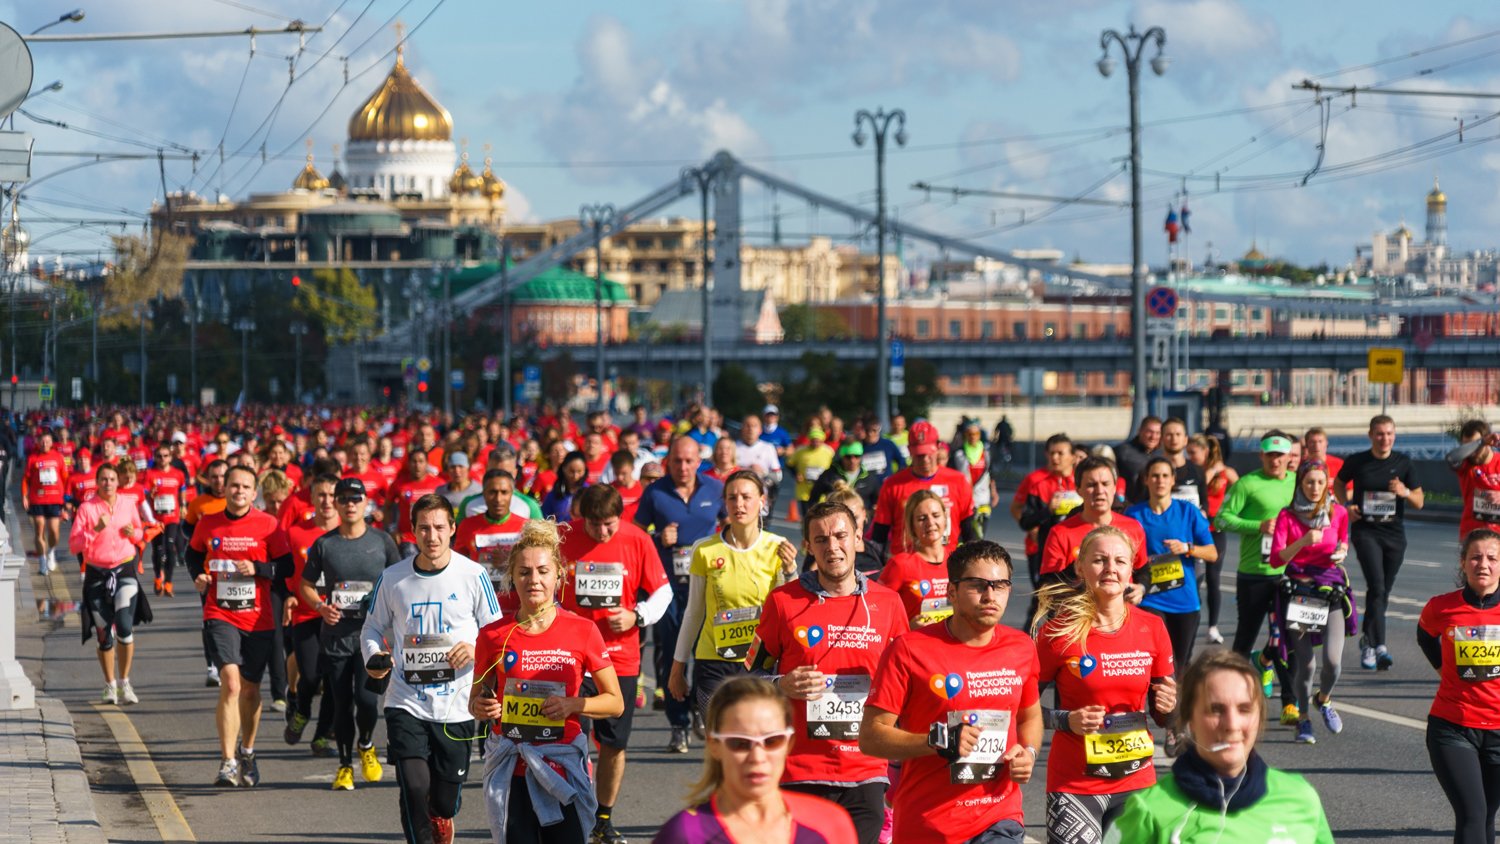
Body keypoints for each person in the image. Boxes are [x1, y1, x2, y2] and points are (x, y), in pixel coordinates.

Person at [747, 500, 908, 844]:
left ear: (858, 540)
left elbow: (906, 684)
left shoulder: (889, 603)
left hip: (866, 769)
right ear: (808, 546)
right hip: (799, 769)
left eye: (840, 536)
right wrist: (781, 684)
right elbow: (748, 681)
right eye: (821, 539)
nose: (832, 547)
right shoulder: (782, 601)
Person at [860, 540, 1041, 844]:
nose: (990, 595)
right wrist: (939, 740)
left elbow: (1030, 717)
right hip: (928, 821)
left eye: (1000, 585)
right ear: (952, 592)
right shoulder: (909, 649)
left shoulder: (1021, 647)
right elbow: (871, 736)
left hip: (998, 816)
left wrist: (1030, 753)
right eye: (978, 585)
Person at [472, 519, 625, 844]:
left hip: (562, 765)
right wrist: (484, 706)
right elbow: (474, 702)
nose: (534, 580)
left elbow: (615, 701)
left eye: (543, 571)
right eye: (524, 572)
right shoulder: (491, 635)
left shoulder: (582, 631)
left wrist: (574, 704)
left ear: (559, 575)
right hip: (512, 767)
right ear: (512, 576)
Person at [362, 493, 502, 844]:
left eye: (440, 527)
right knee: (413, 785)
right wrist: (374, 657)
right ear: (412, 532)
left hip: (456, 706)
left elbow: (496, 634)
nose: (432, 536)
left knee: (443, 800)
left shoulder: (473, 574)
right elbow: (372, 628)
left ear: (452, 529)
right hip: (406, 700)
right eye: (424, 528)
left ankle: (440, 816)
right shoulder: (393, 578)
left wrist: (473, 649)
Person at [1034, 526, 1177, 841]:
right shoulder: (1057, 633)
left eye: (1120, 561)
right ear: (1081, 568)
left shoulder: (1153, 628)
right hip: (1075, 786)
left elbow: (1164, 716)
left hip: (1137, 783)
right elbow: (1022, 706)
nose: (1111, 568)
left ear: (1131, 571)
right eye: (1100, 560)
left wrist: (1171, 709)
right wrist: (1065, 720)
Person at [1103, 650, 1334, 843]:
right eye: (1215, 710)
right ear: (1189, 718)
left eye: (1244, 709)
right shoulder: (1149, 810)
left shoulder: (1300, 798)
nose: (1232, 725)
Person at [559, 485, 673, 844]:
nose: (602, 532)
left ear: (618, 517)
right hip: (570, 656)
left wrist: (638, 615)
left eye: (609, 524)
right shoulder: (564, 537)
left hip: (618, 656)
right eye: (595, 525)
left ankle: (602, 819)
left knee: (613, 744)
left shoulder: (637, 539)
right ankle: (565, 810)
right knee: (562, 737)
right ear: (582, 518)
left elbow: (663, 590)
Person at [187, 464, 294, 788]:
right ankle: (227, 761)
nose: (239, 491)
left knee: (250, 690)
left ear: (254, 492)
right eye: (234, 485)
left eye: (246, 487)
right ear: (226, 488)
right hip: (220, 613)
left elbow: (286, 566)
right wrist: (200, 576)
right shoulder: (208, 522)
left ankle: (247, 750)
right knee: (231, 683)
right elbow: (193, 555)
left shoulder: (268, 524)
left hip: (258, 618)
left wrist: (259, 567)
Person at [654, 676, 859, 844]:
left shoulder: (830, 824)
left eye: (772, 741)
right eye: (740, 743)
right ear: (714, 745)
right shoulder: (684, 835)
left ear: (789, 743)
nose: (757, 757)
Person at [298, 477, 401, 790]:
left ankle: (366, 744)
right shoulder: (325, 544)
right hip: (337, 638)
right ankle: (344, 766)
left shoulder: (382, 542)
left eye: (355, 498)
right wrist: (320, 606)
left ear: (366, 502)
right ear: (337, 505)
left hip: (374, 639)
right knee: (342, 704)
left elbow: (399, 583)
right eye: (343, 499)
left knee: (367, 702)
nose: (350, 504)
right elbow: (305, 583)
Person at [670, 470, 796, 714]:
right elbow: (694, 612)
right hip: (714, 662)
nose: (739, 504)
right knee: (720, 742)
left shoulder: (777, 547)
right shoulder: (704, 549)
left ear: (762, 501)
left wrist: (791, 570)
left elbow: (789, 610)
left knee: (753, 738)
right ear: (724, 503)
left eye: (746, 497)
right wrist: (678, 668)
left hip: (761, 662)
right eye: (732, 497)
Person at [634, 436, 725, 754]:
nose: (683, 467)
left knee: (705, 652)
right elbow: (636, 535)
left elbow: (730, 524)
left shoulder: (714, 489)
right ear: (668, 461)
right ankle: (678, 725)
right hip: (667, 586)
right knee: (673, 654)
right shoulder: (654, 493)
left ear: (698, 461)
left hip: (708, 585)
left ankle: (700, 710)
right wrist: (659, 537)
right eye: (677, 461)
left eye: (688, 461)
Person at [1125, 458, 1216, 755]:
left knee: (1178, 666)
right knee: (1155, 666)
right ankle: (1162, 725)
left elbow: (1212, 552)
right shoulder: (1134, 515)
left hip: (1184, 601)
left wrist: (1187, 548)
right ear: (1147, 479)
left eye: (1165, 475)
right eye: (1155, 475)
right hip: (1149, 599)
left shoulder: (1187, 511)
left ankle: (1175, 724)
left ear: (1172, 479)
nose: (1160, 480)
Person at [1419, 528, 1500, 844]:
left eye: (1492, 558)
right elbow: (1425, 636)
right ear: (1463, 563)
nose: (1484, 564)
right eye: (1476, 557)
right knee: (1472, 814)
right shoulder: (1441, 607)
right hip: (1453, 727)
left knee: (1487, 817)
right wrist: (1442, 668)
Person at [1215, 432, 1298, 721]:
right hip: (1254, 574)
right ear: (1261, 456)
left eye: (1281, 455)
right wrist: (1258, 525)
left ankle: (1290, 702)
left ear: (1290, 457)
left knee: (1286, 638)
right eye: (1270, 455)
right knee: (1244, 639)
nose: (1275, 460)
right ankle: (1230, 695)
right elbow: (1222, 519)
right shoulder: (1247, 484)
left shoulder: (1298, 483)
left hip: (1288, 574)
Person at [1270, 460, 1352, 746]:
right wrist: (1303, 541)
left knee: (1333, 662)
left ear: (1327, 483)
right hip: (1301, 594)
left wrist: (1341, 551)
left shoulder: (1338, 512)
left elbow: (1343, 541)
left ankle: (1324, 700)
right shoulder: (1288, 516)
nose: (1315, 488)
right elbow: (1276, 558)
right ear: (1300, 484)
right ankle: (1303, 718)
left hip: (1329, 591)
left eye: (1320, 482)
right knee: (1306, 665)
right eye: (1309, 482)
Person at [1335, 414, 1423, 672]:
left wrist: (1405, 492)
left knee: (1382, 591)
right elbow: (1340, 483)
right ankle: (1374, 645)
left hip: (1394, 535)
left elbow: (1419, 501)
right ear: (1371, 435)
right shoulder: (1358, 461)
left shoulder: (1404, 463)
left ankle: (1372, 641)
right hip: (1366, 532)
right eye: (1380, 433)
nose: (1385, 438)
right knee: (1377, 585)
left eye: (1389, 434)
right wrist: (1345, 506)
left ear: (1394, 435)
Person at [71, 462, 149, 706]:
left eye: (112, 479)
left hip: (124, 568)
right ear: (97, 482)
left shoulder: (128, 503)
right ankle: (110, 685)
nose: (108, 484)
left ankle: (125, 682)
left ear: (118, 481)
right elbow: (74, 545)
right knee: (104, 634)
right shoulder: (87, 508)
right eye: (103, 479)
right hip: (97, 573)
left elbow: (140, 533)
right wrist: (95, 529)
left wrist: (133, 534)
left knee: (125, 626)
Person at [283, 473, 340, 757]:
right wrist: (290, 595)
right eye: (321, 495)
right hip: (306, 614)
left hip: (340, 617)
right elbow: (286, 571)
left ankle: (320, 738)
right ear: (312, 498)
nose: (327, 501)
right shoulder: (296, 533)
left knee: (333, 679)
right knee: (311, 674)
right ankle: (301, 709)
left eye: (332, 495)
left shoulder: (347, 532)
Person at [871, 420, 978, 556]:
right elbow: (879, 535)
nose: (925, 460)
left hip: (946, 566)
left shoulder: (958, 481)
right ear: (909, 450)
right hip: (905, 567)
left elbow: (969, 532)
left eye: (929, 453)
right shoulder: (892, 485)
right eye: (919, 455)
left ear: (938, 447)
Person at [1040, 456, 1148, 588]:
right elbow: (1048, 585)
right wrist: (1077, 567)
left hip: (1123, 607)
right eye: (1091, 485)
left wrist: (1141, 588)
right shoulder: (1060, 532)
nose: (1099, 491)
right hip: (1079, 607)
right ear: (1078, 490)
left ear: (1114, 487)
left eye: (1105, 484)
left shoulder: (1133, 527)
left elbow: (1143, 570)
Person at [1012, 433, 1083, 597]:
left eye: (1060, 453)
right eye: (1051, 453)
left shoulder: (1082, 481)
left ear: (1073, 457)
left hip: (1076, 549)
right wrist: (1034, 529)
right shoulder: (1035, 480)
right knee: (1046, 597)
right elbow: (1017, 509)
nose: (1055, 458)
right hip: (1041, 548)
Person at [1188, 433, 1237, 644]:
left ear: (1205, 451)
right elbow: (1199, 487)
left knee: (1213, 578)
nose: (1189, 456)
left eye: (1193, 452)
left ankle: (1213, 627)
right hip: (1195, 530)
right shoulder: (1193, 472)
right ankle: (1192, 622)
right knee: (1195, 579)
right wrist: (1209, 472)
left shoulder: (1223, 472)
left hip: (1216, 529)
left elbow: (1241, 487)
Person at [878, 490, 954, 628]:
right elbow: (878, 613)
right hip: (915, 646)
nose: (930, 522)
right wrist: (908, 628)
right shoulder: (900, 564)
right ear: (912, 526)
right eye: (922, 518)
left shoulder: (959, 561)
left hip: (954, 646)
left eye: (936, 515)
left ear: (945, 517)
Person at [144, 441, 189, 597]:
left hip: (172, 517)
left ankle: (168, 582)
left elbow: (183, 488)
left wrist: (183, 505)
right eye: (159, 456)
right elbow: (144, 494)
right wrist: (150, 494)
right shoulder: (150, 474)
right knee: (158, 550)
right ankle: (158, 577)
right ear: (155, 458)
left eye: (165, 456)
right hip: (156, 519)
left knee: (170, 549)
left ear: (170, 457)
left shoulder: (178, 474)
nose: (162, 458)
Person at [23, 429, 68, 574]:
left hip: (55, 499)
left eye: (47, 441)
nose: (44, 443)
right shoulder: (33, 458)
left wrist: (67, 499)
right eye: (42, 441)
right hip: (37, 499)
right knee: (39, 528)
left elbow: (65, 478)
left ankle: (51, 552)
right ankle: (42, 560)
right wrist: (24, 495)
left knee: (54, 531)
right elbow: (26, 479)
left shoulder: (58, 457)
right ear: (38, 442)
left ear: (52, 443)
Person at [388, 447, 445, 556]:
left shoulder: (438, 484)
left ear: (427, 463)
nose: (417, 465)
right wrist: (392, 529)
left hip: (432, 537)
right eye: (414, 461)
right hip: (408, 538)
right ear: (409, 463)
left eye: (421, 461)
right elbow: (387, 507)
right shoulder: (399, 484)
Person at [951, 420, 998, 537]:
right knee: (969, 535)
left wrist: (994, 492)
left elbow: (991, 473)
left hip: (983, 498)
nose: (973, 437)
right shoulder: (959, 453)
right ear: (965, 435)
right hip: (965, 500)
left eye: (976, 434)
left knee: (981, 534)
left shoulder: (986, 453)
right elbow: (952, 475)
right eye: (970, 434)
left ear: (979, 435)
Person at [808, 440, 881, 515]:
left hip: (863, 523)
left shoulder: (869, 477)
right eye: (848, 457)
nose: (852, 460)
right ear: (842, 457)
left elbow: (877, 502)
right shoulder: (829, 475)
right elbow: (813, 498)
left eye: (856, 456)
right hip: (836, 522)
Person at [787, 427, 835, 513]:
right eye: (813, 440)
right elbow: (789, 464)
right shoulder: (801, 451)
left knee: (820, 514)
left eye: (818, 441)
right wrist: (796, 474)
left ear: (822, 440)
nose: (816, 443)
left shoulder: (828, 452)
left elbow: (834, 467)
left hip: (822, 490)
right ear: (810, 440)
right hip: (805, 489)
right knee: (807, 515)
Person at [1114, 417, 1162, 489]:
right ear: (1139, 431)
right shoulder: (1122, 452)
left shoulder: (1163, 454)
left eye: (1158, 433)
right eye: (1149, 432)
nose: (1153, 436)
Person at [856, 413, 906, 481]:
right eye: (867, 430)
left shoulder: (888, 444)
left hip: (886, 488)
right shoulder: (858, 447)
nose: (870, 434)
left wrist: (896, 478)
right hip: (865, 489)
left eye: (874, 430)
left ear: (879, 428)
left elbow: (902, 462)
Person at [542, 452, 589, 522]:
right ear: (564, 468)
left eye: (579, 471)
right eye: (571, 471)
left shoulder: (588, 492)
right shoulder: (554, 493)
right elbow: (544, 518)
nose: (575, 476)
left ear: (585, 470)